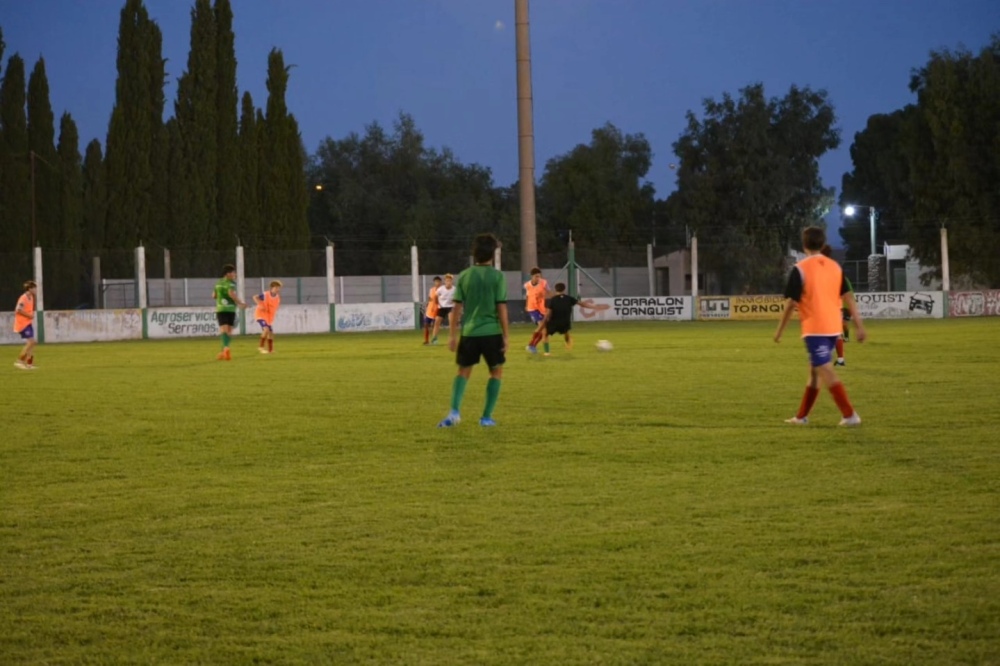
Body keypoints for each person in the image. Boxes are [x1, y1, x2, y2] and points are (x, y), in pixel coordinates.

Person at [774, 227, 866, 426]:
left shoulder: (800, 268)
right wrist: (859, 325)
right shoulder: (835, 267)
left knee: (824, 369)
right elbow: (848, 297)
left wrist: (779, 331)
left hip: (815, 328)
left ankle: (850, 414)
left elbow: (791, 303)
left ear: (804, 244)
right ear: (823, 244)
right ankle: (801, 417)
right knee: (815, 372)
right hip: (834, 328)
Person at [438, 233, 509, 428]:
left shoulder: (465, 275)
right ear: (492, 254)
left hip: (469, 333)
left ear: (474, 253)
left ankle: (454, 413)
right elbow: (501, 307)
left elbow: (457, 308)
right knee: (496, 372)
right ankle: (486, 417)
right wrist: (506, 336)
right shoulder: (497, 277)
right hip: (492, 332)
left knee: (463, 371)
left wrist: (452, 335)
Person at [539, 282, 605, 356]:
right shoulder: (569, 298)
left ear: (555, 289)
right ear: (564, 289)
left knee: (545, 334)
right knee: (566, 332)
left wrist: (543, 323)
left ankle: (547, 352)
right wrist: (594, 307)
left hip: (554, 322)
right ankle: (568, 343)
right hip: (565, 322)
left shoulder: (552, 300)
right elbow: (582, 304)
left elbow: (548, 313)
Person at [820, 244, 855, 366]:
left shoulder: (819, 267)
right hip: (836, 305)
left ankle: (824, 358)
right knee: (835, 332)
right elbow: (845, 291)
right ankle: (840, 359)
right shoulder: (836, 268)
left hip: (824, 306)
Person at [214, 264, 248, 361]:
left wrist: (221, 298)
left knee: (223, 330)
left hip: (221, 309)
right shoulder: (231, 283)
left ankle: (224, 351)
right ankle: (225, 350)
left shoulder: (218, 283)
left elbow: (214, 295)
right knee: (229, 331)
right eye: (233, 273)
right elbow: (231, 294)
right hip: (230, 309)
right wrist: (240, 303)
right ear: (228, 274)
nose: (235, 274)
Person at [13, 280, 38, 370]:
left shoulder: (31, 297)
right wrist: (29, 315)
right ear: (30, 289)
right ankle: (19, 361)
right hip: (22, 324)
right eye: (34, 288)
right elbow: (18, 310)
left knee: (32, 343)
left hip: (28, 323)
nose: (36, 290)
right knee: (32, 342)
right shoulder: (23, 298)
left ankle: (29, 364)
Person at [252, 280, 283, 354]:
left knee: (270, 333)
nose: (277, 289)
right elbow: (255, 297)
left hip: (269, 317)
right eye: (276, 288)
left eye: (278, 288)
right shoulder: (265, 294)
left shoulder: (277, 298)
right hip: (260, 315)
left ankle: (270, 350)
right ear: (271, 288)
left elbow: (275, 308)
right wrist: (261, 305)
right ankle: (261, 347)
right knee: (266, 329)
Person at [524, 267, 550, 353]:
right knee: (542, 327)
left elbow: (549, 293)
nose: (538, 278)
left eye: (539, 276)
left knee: (544, 330)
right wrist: (526, 305)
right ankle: (532, 346)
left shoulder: (544, 283)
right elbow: (528, 295)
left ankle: (532, 346)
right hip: (532, 308)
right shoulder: (527, 285)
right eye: (536, 276)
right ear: (532, 276)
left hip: (541, 308)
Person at [430, 273, 455, 345]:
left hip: (450, 307)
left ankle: (452, 338)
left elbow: (457, 298)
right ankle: (434, 338)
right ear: (445, 281)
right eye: (447, 280)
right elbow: (435, 297)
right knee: (437, 322)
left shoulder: (454, 289)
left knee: (451, 322)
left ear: (452, 281)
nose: (448, 282)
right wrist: (437, 304)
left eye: (450, 281)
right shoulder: (441, 289)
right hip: (442, 307)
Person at [422, 276, 442, 345]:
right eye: (436, 281)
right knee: (426, 325)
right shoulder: (431, 290)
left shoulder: (441, 290)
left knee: (435, 326)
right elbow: (430, 298)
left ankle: (434, 340)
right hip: (429, 310)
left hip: (437, 310)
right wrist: (427, 305)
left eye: (438, 281)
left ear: (440, 282)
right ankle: (426, 340)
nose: (437, 283)